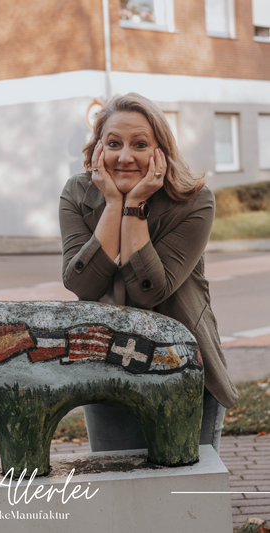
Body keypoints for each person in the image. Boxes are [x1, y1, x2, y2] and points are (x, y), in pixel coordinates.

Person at [59, 93, 238, 455]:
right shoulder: (78, 193)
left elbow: (150, 291)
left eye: (140, 144)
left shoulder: (193, 200)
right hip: (107, 370)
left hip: (184, 370)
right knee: (119, 493)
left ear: (160, 152)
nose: (124, 157)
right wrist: (112, 205)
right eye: (113, 143)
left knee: (186, 490)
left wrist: (135, 207)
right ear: (97, 149)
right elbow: (81, 282)